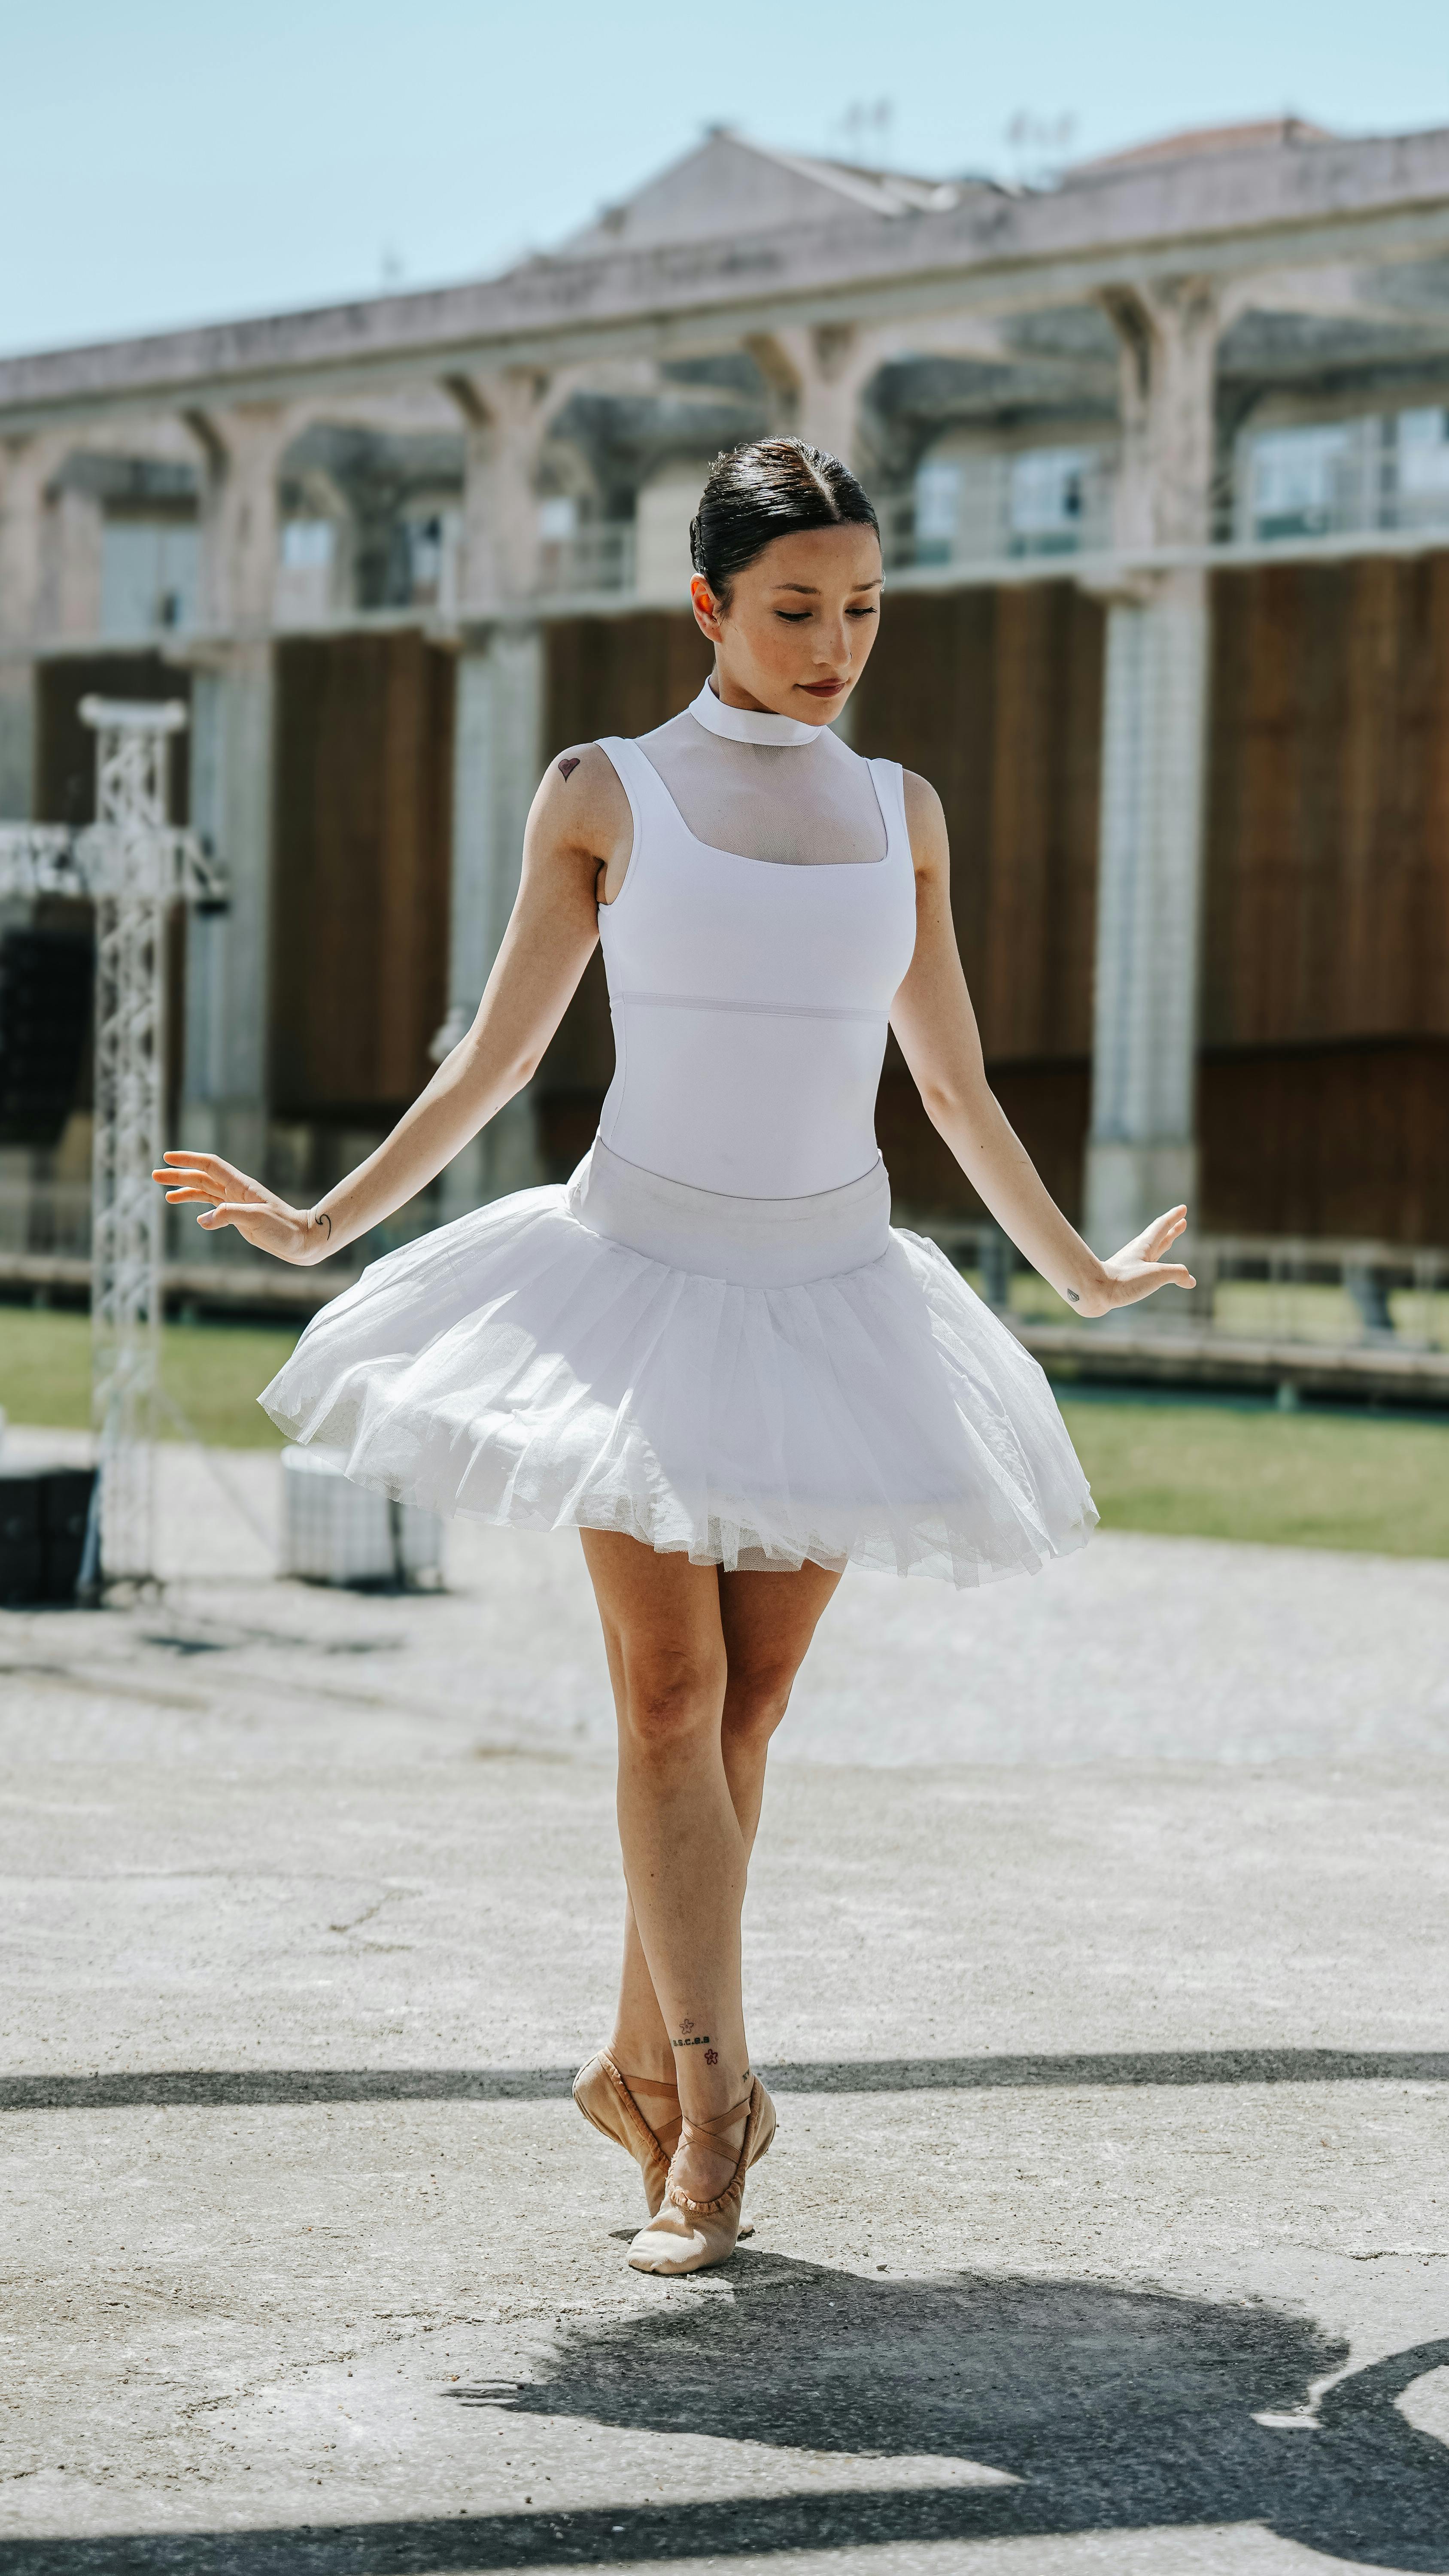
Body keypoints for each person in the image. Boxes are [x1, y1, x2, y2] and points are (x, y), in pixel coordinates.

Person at [154, 437, 1193, 2278]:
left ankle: (633, 2058)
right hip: (630, 1284)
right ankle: (714, 2119)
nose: (834, 644)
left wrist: (1084, 1275)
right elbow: (489, 1061)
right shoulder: (603, 790)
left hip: (833, 1298)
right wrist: (322, 1223)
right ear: (707, 602)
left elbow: (950, 1083)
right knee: (662, 1693)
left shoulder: (904, 814)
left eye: (863, 609)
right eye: (796, 608)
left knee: (748, 1710)